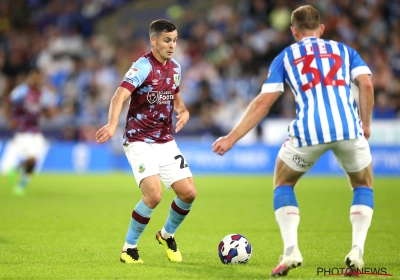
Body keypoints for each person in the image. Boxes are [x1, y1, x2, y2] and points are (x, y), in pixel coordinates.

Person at [212, 5, 374, 277]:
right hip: (349, 128)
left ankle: (291, 251)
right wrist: (365, 124)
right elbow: (367, 85)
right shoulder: (345, 51)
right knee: (362, 184)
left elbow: (263, 103)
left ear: (293, 31)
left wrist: (231, 138)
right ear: (321, 29)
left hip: (308, 132)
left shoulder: (286, 56)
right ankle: (357, 250)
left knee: (284, 182)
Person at [95, 19, 197, 264]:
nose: (172, 45)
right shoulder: (142, 67)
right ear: (153, 40)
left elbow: (175, 96)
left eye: (174, 40)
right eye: (166, 40)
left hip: (164, 140)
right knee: (154, 195)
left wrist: (183, 111)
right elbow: (119, 95)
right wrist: (112, 124)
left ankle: (166, 235)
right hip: (139, 139)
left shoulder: (175, 68)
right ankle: (129, 249)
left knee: (189, 193)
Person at [6, 67, 57, 196]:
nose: (36, 79)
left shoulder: (44, 94)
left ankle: (18, 170)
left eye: (38, 77)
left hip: (36, 131)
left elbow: (50, 113)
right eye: (33, 76)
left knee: (34, 160)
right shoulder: (21, 91)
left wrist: (49, 111)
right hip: (22, 131)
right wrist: (10, 119)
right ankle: (21, 184)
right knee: (32, 159)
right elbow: (8, 103)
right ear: (30, 77)